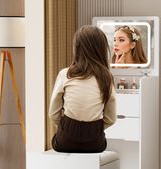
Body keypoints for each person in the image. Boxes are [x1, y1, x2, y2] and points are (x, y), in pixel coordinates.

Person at [49, 25, 116, 153]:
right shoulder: (106, 77)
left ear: (77, 49)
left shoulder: (66, 74)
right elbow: (111, 118)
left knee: (57, 142)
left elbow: (53, 113)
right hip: (95, 143)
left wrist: (64, 127)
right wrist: (95, 129)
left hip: (66, 139)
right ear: (102, 49)